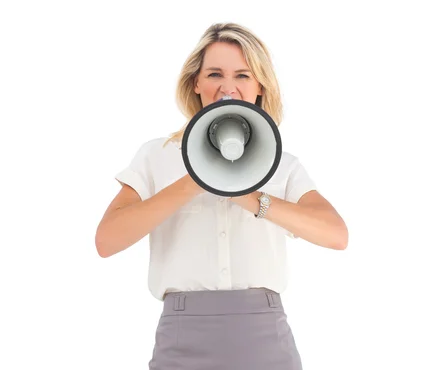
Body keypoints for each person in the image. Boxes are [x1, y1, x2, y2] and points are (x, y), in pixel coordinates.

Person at [95, 22, 348, 370]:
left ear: (260, 86)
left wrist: (251, 197)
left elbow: (336, 234)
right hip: (182, 336)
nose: (227, 87)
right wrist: (195, 180)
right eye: (214, 74)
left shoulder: (281, 164)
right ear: (196, 82)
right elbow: (107, 241)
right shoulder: (157, 155)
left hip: (265, 336)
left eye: (243, 75)